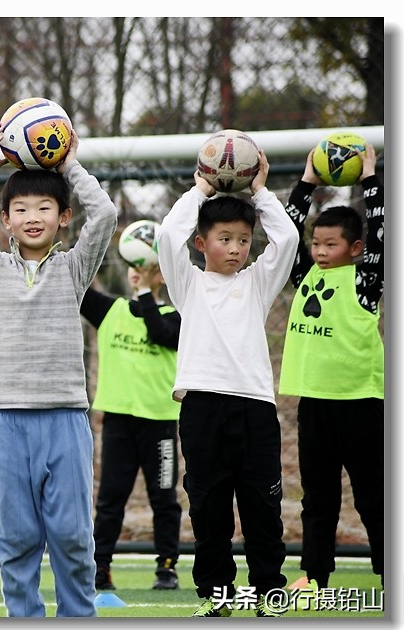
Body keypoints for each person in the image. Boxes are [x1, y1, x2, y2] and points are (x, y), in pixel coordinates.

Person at [0, 123, 118, 618]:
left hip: (65, 420)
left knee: (69, 534)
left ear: (64, 218)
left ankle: (77, 617)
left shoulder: (74, 268)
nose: (32, 216)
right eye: (20, 209)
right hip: (7, 420)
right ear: (5, 221)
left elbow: (103, 214)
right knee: (17, 537)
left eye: (44, 208)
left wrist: (67, 165)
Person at [156, 151, 299, 618]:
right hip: (201, 408)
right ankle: (216, 595)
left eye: (243, 239)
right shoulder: (188, 285)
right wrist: (200, 187)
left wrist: (259, 190)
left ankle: (268, 593)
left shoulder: (258, 283)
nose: (236, 247)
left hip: (255, 408)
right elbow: (166, 235)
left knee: (262, 506)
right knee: (209, 508)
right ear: (202, 243)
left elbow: (289, 238)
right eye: (224, 239)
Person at [278, 145, 384, 591]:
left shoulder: (366, 279)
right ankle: (314, 575)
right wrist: (307, 181)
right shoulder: (304, 275)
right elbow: (285, 229)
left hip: (362, 403)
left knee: (374, 497)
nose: (319, 251)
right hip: (315, 404)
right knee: (317, 499)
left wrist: (371, 179)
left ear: (355, 248)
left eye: (330, 244)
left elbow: (382, 231)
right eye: (316, 244)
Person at [81, 261, 182, 592]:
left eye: (148, 267)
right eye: (134, 266)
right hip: (119, 422)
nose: (139, 272)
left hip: (160, 423)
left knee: (164, 499)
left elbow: (160, 333)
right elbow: (77, 287)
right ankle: (101, 567)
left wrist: (144, 293)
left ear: (163, 275)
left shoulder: (177, 316)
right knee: (111, 498)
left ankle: (166, 567)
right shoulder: (112, 310)